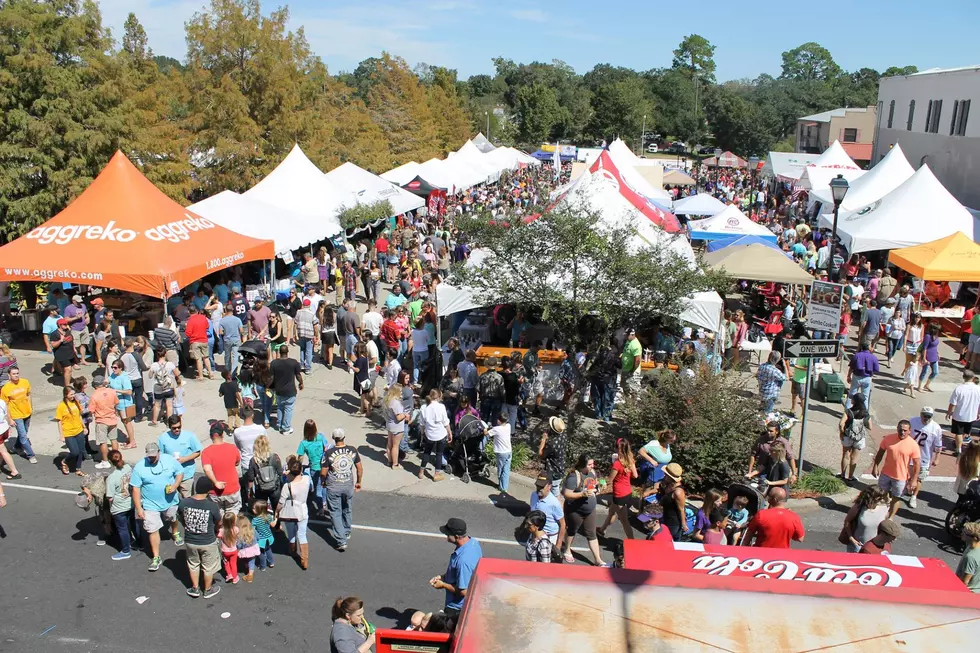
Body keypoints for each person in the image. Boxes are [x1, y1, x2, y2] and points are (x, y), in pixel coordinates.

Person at [130, 442, 184, 572]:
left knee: (172, 518)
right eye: (150, 456)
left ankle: (175, 531)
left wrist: (175, 485)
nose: (152, 458)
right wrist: (139, 508)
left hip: (170, 501)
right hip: (150, 504)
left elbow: (180, 472)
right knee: (152, 529)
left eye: (154, 455)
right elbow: (136, 489)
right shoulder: (139, 467)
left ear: (159, 452)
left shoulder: (169, 460)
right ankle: (156, 557)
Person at [560, 454, 609, 567]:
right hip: (575, 510)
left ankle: (598, 560)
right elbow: (566, 493)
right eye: (590, 464)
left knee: (592, 534)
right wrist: (582, 494)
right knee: (572, 531)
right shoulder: (574, 476)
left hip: (590, 510)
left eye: (593, 463)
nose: (593, 466)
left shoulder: (592, 473)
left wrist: (600, 488)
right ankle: (567, 550)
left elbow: (594, 487)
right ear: (583, 465)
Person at [178, 477, 223, 598]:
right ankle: (207, 590)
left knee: (193, 564)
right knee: (208, 567)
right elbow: (218, 522)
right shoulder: (212, 506)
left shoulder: (184, 503)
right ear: (208, 490)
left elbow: (181, 518)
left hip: (190, 540)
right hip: (208, 541)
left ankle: (195, 588)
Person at [430, 518, 483, 618]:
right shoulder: (473, 543)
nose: (446, 536)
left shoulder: (464, 561)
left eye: (447, 534)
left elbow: (464, 591)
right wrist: (443, 577)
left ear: (457, 536)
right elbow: (461, 572)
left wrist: (443, 585)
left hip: (456, 609)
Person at [322, 428, 363, 551]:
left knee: (335, 512)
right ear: (344, 437)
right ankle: (346, 531)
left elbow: (323, 472)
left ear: (334, 438)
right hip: (348, 485)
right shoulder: (352, 450)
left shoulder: (329, 453)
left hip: (333, 486)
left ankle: (341, 540)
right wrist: (359, 482)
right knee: (347, 508)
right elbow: (359, 468)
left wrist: (323, 482)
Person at [871, 420, 921, 518]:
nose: (902, 432)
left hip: (900, 477)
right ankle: (881, 511)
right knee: (880, 495)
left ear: (909, 431)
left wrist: (914, 480)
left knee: (896, 498)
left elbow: (917, 464)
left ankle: (891, 517)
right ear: (897, 429)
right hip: (885, 473)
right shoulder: (888, 439)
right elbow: (880, 453)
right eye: (900, 430)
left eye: (905, 430)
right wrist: (875, 466)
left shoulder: (913, 444)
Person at [598, 438, 638, 541]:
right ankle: (602, 530)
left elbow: (610, 480)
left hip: (619, 494)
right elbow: (635, 475)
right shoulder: (630, 460)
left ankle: (632, 540)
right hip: (628, 491)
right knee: (612, 511)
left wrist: (600, 482)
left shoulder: (617, 464)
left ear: (617, 448)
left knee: (624, 521)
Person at [156, 414, 202, 503]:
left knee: (188, 501)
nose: (177, 429)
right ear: (169, 427)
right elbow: (160, 455)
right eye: (174, 428)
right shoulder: (163, 438)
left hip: (186, 475)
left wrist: (184, 459)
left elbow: (197, 452)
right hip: (170, 476)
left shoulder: (189, 436)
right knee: (171, 501)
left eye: (179, 427)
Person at [275, 458, 312, 570]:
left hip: (291, 511)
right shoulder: (306, 479)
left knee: (291, 533)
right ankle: (304, 560)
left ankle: (292, 550)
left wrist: (277, 512)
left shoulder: (288, 486)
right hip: (303, 510)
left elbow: (281, 502)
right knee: (302, 534)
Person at [202, 421, 242, 514]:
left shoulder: (206, 452)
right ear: (222, 434)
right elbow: (237, 463)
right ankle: (231, 527)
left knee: (218, 514)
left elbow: (207, 469)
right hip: (232, 488)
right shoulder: (232, 448)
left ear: (211, 436)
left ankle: (220, 528)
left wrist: (216, 482)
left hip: (216, 492)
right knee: (232, 513)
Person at [908, 406, 944, 509]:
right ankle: (907, 488)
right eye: (924, 416)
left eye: (929, 416)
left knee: (919, 478)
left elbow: (938, 445)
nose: (926, 418)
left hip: (924, 457)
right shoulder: (913, 421)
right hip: (909, 454)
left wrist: (937, 458)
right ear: (921, 414)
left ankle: (914, 496)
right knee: (908, 475)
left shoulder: (936, 428)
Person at [105, 449, 138, 561]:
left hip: (119, 507)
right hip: (131, 502)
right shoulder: (128, 468)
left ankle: (125, 551)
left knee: (123, 529)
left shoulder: (112, 478)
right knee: (133, 523)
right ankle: (138, 542)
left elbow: (110, 497)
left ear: (110, 461)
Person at [1, 366, 36, 464]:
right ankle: (31, 455)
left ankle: (16, 447)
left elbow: (29, 395)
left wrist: (31, 407)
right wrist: (9, 419)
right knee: (23, 436)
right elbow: (5, 405)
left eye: (17, 373)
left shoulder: (25, 382)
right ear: (9, 375)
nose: (16, 375)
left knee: (24, 432)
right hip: (16, 415)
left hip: (27, 413)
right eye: (14, 374)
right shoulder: (5, 389)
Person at [840, 485, 890, 553]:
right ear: (871, 498)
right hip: (858, 546)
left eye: (882, 497)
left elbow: (885, 525)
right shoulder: (858, 508)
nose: (881, 500)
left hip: (874, 547)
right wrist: (851, 538)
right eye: (879, 498)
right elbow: (847, 521)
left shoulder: (884, 509)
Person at [419, 389, 451, 482]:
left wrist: (422, 434)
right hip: (440, 434)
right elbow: (445, 422)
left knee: (426, 452)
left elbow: (422, 424)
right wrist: (449, 432)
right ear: (439, 396)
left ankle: (421, 472)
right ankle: (436, 474)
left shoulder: (424, 407)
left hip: (429, 434)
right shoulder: (441, 407)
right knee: (439, 454)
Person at [269, 344, 303, 434]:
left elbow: (271, 377)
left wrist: (267, 387)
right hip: (290, 390)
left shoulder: (274, 363)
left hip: (279, 390)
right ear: (287, 352)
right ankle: (286, 428)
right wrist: (301, 383)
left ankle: (279, 425)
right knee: (288, 409)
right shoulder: (293, 362)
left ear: (279, 352)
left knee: (280, 407)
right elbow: (298, 375)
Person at [839, 394, 870, 481]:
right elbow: (870, 426)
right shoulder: (865, 413)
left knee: (846, 456)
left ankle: (842, 475)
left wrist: (841, 433)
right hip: (859, 438)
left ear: (854, 401)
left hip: (848, 436)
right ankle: (850, 477)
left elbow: (841, 424)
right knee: (854, 458)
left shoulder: (848, 411)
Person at [529, 474, 566, 549]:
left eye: (542, 487)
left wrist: (558, 545)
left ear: (549, 487)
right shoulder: (533, 495)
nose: (539, 489)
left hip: (549, 538)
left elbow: (562, 525)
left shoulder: (554, 503)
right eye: (538, 486)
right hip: (535, 535)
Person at [55, 386, 86, 476]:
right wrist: (61, 435)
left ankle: (78, 469)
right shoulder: (61, 406)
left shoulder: (76, 402)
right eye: (71, 394)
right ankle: (64, 461)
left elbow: (79, 415)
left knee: (80, 451)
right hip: (68, 432)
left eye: (74, 393)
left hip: (79, 430)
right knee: (74, 452)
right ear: (66, 395)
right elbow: (59, 421)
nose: (73, 396)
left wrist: (84, 427)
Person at [949, 369, 980, 456]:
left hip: (959, 415)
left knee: (958, 432)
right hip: (971, 415)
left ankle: (958, 450)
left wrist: (949, 412)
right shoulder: (978, 388)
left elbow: (952, 403)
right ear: (973, 378)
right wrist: (978, 413)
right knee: (964, 432)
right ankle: (959, 444)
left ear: (963, 377)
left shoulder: (959, 388)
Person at [246, 434, 282, 508]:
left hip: (261, 489)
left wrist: (250, 492)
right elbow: (280, 472)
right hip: (274, 488)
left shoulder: (253, 460)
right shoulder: (275, 457)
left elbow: (251, 479)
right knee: (277, 509)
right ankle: (276, 519)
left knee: (262, 511)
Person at [108, 360, 136, 449]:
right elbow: (108, 381)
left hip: (126, 403)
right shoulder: (113, 375)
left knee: (127, 422)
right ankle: (130, 439)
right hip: (118, 404)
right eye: (112, 367)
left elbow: (129, 391)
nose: (113, 369)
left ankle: (132, 442)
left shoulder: (124, 377)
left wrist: (116, 391)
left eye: (115, 368)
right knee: (124, 421)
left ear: (121, 368)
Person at [539, 417, 568, 498]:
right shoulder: (563, 436)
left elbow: (541, 454)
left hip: (553, 471)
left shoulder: (552, 444)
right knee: (554, 490)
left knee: (555, 494)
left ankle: (558, 509)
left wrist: (543, 440)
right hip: (560, 467)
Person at [148, 348, 177, 426]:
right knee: (169, 405)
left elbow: (150, 376)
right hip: (168, 387)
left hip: (158, 388)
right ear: (165, 354)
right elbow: (177, 373)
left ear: (157, 355)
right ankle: (169, 422)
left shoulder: (154, 365)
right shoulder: (170, 364)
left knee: (157, 405)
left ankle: (154, 421)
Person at [383, 383, 408, 470]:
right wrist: (405, 415)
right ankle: (395, 464)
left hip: (389, 424)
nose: (401, 393)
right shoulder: (396, 403)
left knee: (389, 444)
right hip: (396, 426)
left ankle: (389, 461)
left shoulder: (387, 399)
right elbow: (398, 417)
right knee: (395, 446)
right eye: (400, 391)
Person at [487, 413, 512, 496]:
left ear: (499, 420)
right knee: (506, 470)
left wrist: (486, 428)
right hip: (509, 451)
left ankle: (502, 487)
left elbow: (486, 433)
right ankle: (505, 487)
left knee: (500, 470)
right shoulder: (508, 426)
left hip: (501, 453)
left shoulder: (496, 429)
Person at [185, 306, 213, 380]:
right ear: (196, 311)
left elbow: (188, 334)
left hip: (195, 341)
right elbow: (207, 326)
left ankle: (201, 376)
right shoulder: (203, 318)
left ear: (189, 312)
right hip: (204, 340)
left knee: (198, 359)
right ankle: (210, 373)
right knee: (206, 357)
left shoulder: (190, 321)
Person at [49, 318, 78, 387]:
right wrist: (60, 340)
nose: (66, 325)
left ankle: (67, 379)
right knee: (68, 369)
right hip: (61, 354)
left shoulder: (67, 331)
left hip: (70, 353)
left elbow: (71, 340)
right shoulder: (54, 334)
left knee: (68, 370)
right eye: (64, 324)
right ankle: (67, 386)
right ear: (59, 325)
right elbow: (53, 345)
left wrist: (74, 348)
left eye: (67, 324)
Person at [294, 298, 318, 374]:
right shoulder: (312, 314)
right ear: (309, 305)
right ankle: (307, 367)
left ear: (303, 305)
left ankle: (301, 365)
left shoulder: (298, 312)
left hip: (301, 333)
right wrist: (316, 335)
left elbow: (295, 324)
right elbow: (315, 326)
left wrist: (294, 334)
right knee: (309, 351)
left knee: (302, 349)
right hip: (309, 334)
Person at [218, 305, 244, 373]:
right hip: (236, 339)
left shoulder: (222, 320)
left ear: (226, 310)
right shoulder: (237, 319)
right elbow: (241, 330)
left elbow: (221, 332)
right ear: (232, 310)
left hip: (227, 340)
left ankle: (227, 368)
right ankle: (234, 371)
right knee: (235, 356)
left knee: (227, 354)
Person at [917, 323, 943, 393]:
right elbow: (925, 348)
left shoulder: (936, 336)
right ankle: (919, 386)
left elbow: (935, 346)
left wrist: (937, 353)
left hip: (934, 355)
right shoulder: (928, 336)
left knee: (935, 372)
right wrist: (924, 358)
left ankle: (927, 385)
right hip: (928, 356)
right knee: (924, 371)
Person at [957, 521, 980, 592]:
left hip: (969, 592)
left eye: (965, 533)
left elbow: (964, 582)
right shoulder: (971, 546)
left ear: (975, 538)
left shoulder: (970, 557)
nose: (961, 533)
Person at [621, 329, 642, 396]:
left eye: (627, 335)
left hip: (631, 371)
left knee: (632, 390)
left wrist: (632, 370)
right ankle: (627, 404)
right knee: (625, 388)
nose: (626, 336)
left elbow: (637, 360)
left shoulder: (635, 344)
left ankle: (633, 405)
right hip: (625, 369)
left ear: (632, 334)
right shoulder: (628, 341)